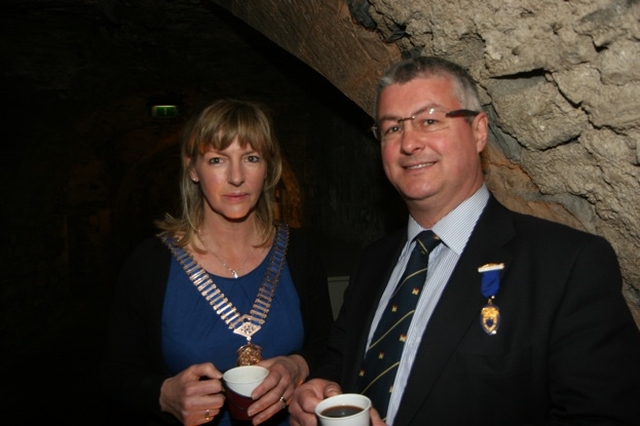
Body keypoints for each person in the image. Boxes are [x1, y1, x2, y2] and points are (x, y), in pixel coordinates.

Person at [288, 56, 640, 425]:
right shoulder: (374, 261)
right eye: (392, 129)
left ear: (478, 131)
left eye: (429, 120)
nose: (409, 143)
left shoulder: (567, 266)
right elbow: (341, 358)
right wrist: (321, 387)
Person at [102, 99, 334, 426]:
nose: (236, 177)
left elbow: (328, 345)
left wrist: (299, 364)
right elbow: (116, 374)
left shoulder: (300, 253)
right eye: (217, 160)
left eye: (250, 158)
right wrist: (163, 393)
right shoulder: (149, 265)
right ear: (192, 168)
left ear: (268, 168)